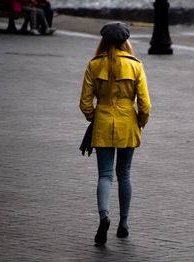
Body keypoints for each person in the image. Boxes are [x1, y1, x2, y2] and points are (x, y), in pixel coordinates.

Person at [79, 22, 151, 246]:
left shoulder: (94, 64)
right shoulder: (135, 65)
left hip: (102, 121)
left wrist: (93, 117)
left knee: (105, 175)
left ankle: (104, 216)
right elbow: (145, 104)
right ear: (125, 42)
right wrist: (140, 122)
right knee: (125, 174)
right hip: (127, 123)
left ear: (104, 41)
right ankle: (124, 224)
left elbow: (84, 102)